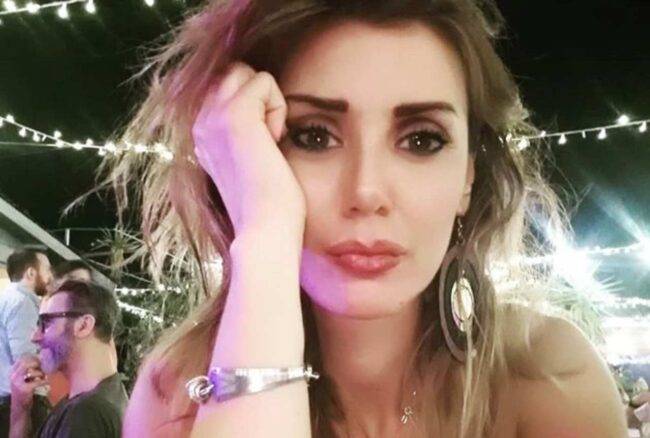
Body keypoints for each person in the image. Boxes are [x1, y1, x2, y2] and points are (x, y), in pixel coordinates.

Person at [107, 0, 627, 436]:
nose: (366, 192)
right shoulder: (176, 397)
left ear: (468, 177)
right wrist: (265, 236)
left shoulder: (549, 380)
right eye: (313, 136)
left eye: (421, 140)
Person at [8, 280, 127, 438]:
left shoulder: (88, 413)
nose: (35, 337)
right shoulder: (101, 398)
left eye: (46, 323)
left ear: (83, 326)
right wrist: (20, 408)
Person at [0, 249, 52, 437]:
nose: (50, 277)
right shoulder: (23, 302)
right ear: (31, 272)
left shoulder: (6, 297)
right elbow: (27, 361)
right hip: (20, 401)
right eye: (47, 270)